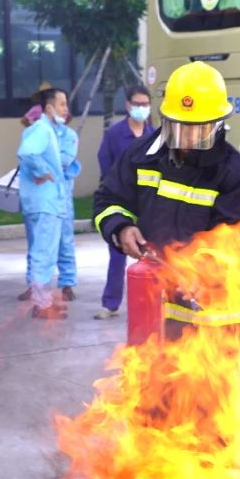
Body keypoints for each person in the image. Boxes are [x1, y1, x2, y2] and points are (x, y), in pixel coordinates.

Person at [93, 61, 240, 335]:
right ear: (166, 119)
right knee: (149, 375)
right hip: (153, 308)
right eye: (180, 126)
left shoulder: (236, 175)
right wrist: (121, 227)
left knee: (209, 378)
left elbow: (238, 241)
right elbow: (107, 200)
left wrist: (204, 267)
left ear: (218, 124)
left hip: (212, 319)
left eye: (199, 128)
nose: (189, 137)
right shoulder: (140, 156)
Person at [17, 88, 80, 319]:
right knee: (44, 253)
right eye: (62, 104)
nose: (65, 109)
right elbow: (27, 153)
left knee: (44, 251)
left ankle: (43, 300)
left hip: (45, 201)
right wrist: (44, 172)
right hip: (45, 201)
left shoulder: (49, 131)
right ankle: (42, 304)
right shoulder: (42, 129)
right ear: (49, 107)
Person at [93, 85, 153, 319]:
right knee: (118, 253)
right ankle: (111, 303)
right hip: (122, 203)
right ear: (128, 105)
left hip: (147, 204)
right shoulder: (115, 134)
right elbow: (105, 163)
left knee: (150, 257)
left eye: (145, 105)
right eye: (137, 104)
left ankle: (149, 305)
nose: (141, 109)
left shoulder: (155, 135)